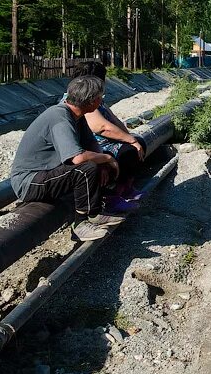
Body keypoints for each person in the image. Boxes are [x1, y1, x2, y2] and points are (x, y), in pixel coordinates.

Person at [10, 75, 124, 242]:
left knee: (99, 164)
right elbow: (77, 158)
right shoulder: (60, 116)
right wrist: (106, 158)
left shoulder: (77, 116)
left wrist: (105, 163)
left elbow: (91, 143)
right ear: (91, 101)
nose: (101, 101)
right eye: (100, 97)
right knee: (86, 168)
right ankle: (81, 224)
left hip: (49, 173)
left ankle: (96, 211)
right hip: (29, 182)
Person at [69, 61, 145, 212]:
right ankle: (111, 196)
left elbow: (113, 120)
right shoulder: (80, 101)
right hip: (86, 149)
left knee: (137, 144)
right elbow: (101, 127)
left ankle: (125, 188)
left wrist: (131, 138)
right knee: (127, 152)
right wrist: (130, 141)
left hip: (96, 144)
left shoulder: (96, 99)